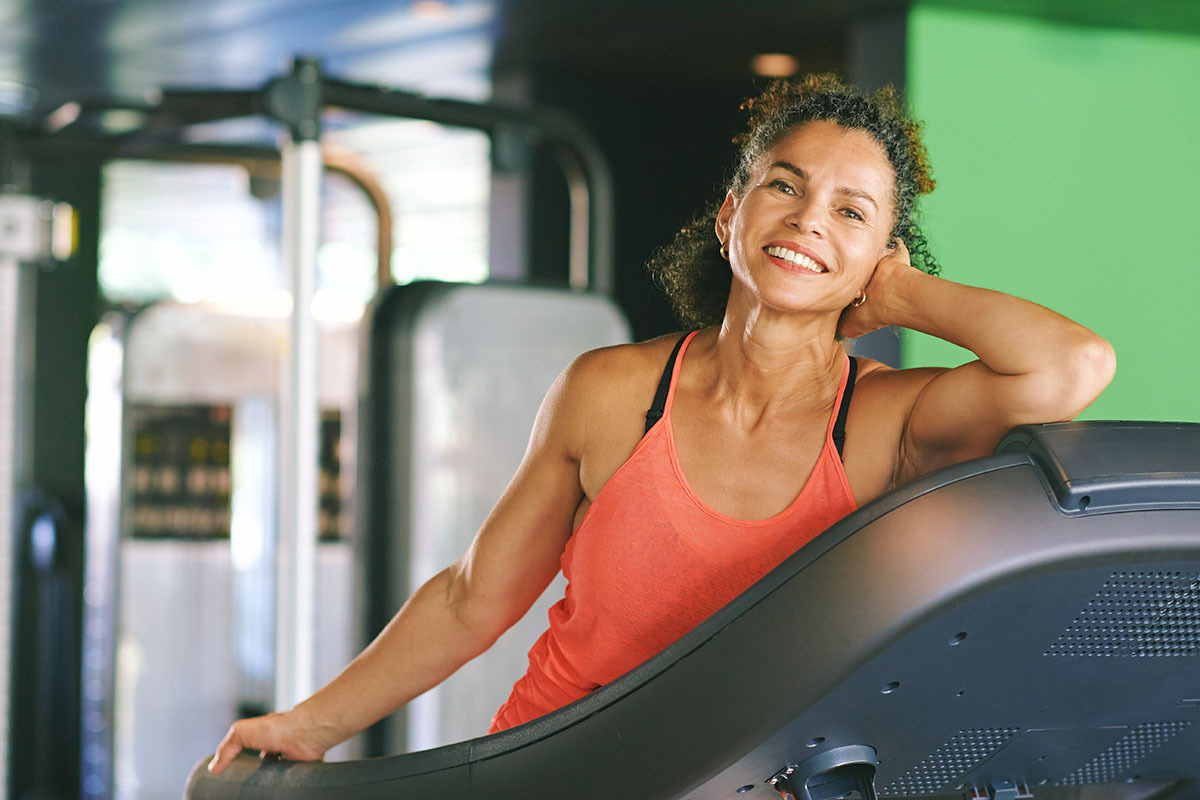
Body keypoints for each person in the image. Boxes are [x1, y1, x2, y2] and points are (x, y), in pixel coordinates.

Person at [208, 73, 1114, 772]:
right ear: (730, 215)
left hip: (748, 776)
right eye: (784, 187)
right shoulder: (609, 392)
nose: (807, 220)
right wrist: (305, 726)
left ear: (880, 254)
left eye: (850, 212)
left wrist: (905, 290)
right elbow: (471, 597)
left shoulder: (884, 423)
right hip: (557, 759)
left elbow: (1073, 365)